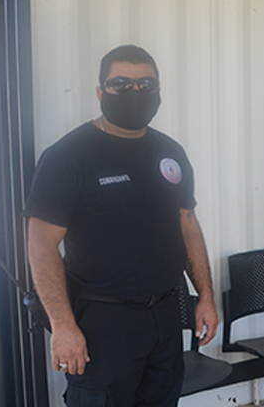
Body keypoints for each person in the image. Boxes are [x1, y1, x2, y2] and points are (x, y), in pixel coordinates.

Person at [25, 45, 218, 407]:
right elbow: (41, 244)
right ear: (100, 92)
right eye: (120, 83)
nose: (134, 92)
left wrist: (205, 296)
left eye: (145, 84)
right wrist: (64, 326)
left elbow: (188, 225)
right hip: (102, 322)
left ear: (158, 91)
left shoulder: (170, 152)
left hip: (164, 314)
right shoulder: (68, 156)